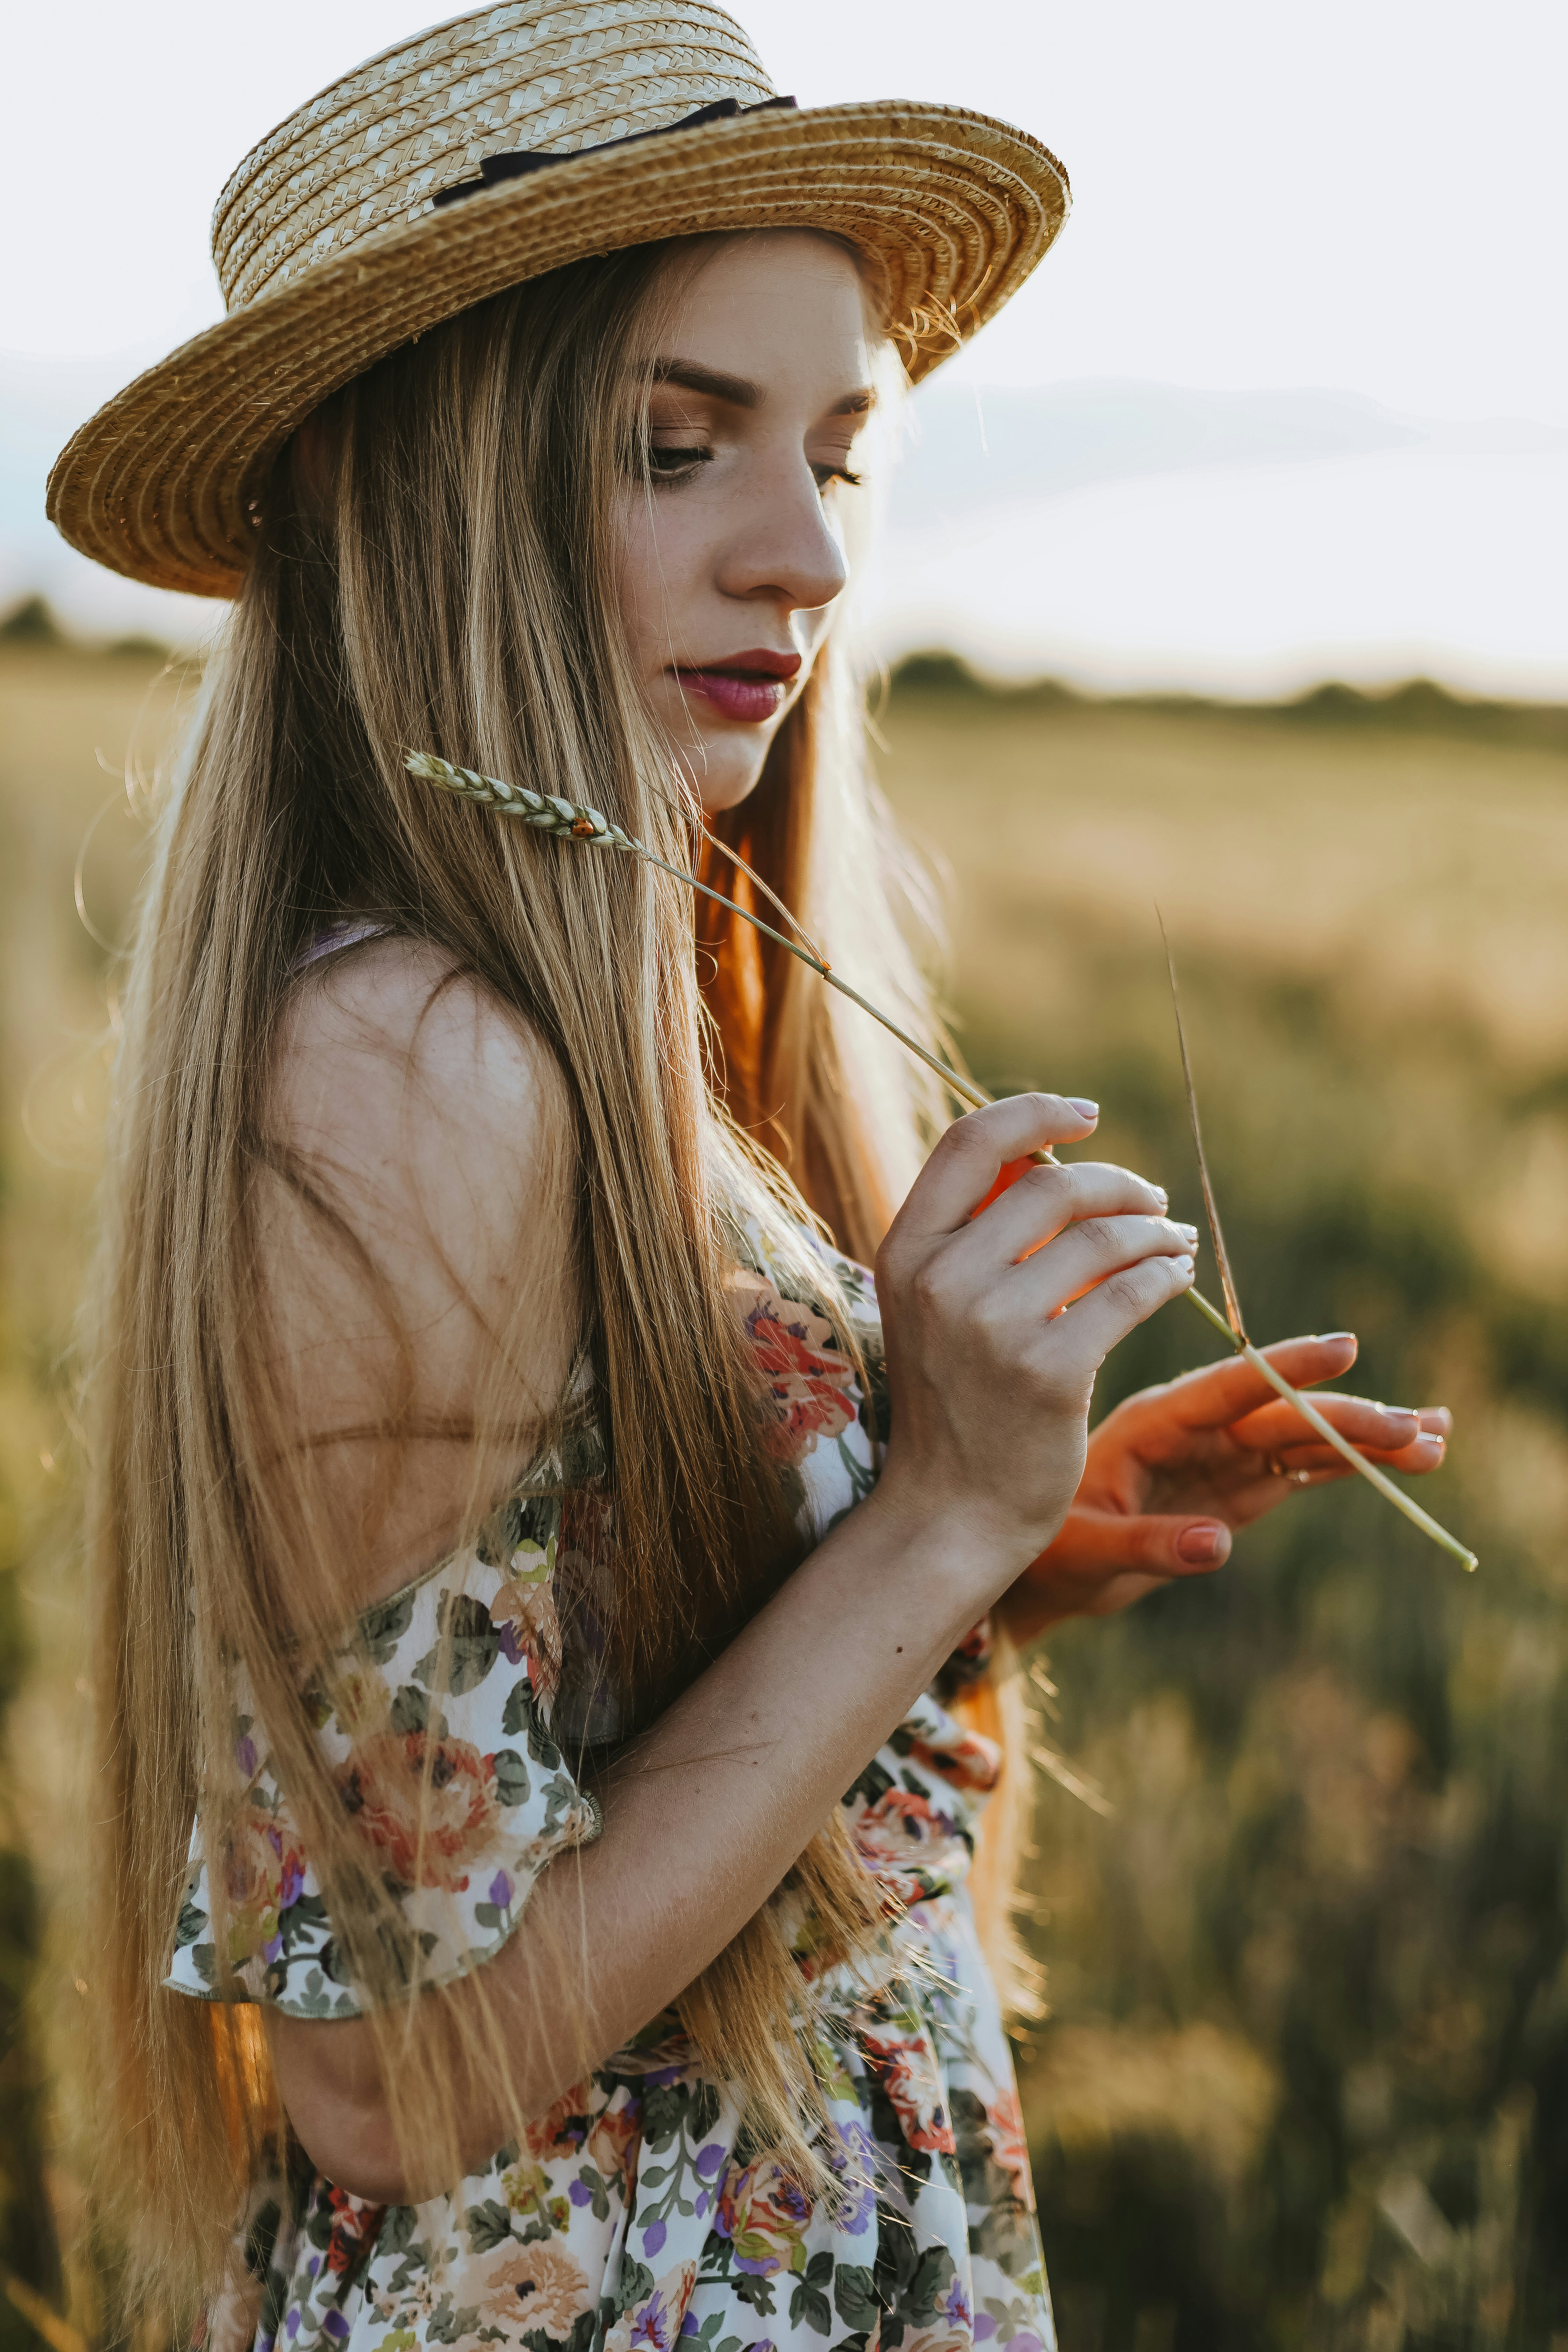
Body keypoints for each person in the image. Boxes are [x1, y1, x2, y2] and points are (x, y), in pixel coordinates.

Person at [50, 7, 1451, 2346]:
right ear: (413, 489)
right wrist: (931, 1523)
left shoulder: (635, 999)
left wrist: (1000, 1550)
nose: (804, 555)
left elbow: (593, 1719)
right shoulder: (420, 1066)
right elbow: (389, 2085)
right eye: (674, 447)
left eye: (837, 453)